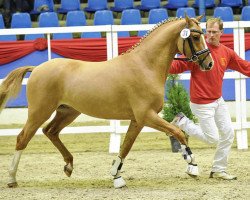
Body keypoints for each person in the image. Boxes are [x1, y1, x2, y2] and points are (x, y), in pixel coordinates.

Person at [170, 17, 250, 180]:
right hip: (201, 103)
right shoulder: (197, 50)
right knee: (213, 138)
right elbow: (179, 66)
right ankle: (181, 121)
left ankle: (219, 170)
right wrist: (161, 65)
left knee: (228, 134)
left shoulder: (227, 53)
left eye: (214, 32)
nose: (211, 35)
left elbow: (245, 66)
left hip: (218, 101)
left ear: (221, 33)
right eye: (209, 31)